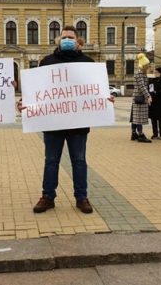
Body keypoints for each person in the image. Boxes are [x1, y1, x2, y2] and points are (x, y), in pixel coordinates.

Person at [29, 25, 99, 214]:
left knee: (79, 161)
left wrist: (105, 99)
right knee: (51, 160)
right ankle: (48, 197)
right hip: (52, 122)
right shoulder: (47, 62)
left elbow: (96, 90)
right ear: (58, 40)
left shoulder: (88, 63)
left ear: (78, 41)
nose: (67, 39)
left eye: (70, 37)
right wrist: (26, 101)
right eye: (64, 37)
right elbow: (37, 90)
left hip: (79, 123)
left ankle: (82, 197)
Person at [130, 53, 152, 143]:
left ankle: (134, 133)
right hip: (139, 97)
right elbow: (142, 86)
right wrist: (148, 96)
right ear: (143, 65)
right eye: (147, 65)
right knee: (138, 117)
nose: (148, 67)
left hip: (138, 97)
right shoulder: (139, 74)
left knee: (135, 117)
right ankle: (140, 135)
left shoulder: (141, 73)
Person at [149, 67, 161, 140]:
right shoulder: (152, 81)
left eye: (156, 72)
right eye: (154, 72)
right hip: (153, 102)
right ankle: (155, 134)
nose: (155, 74)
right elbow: (150, 90)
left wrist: (156, 92)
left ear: (160, 73)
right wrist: (153, 93)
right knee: (153, 119)